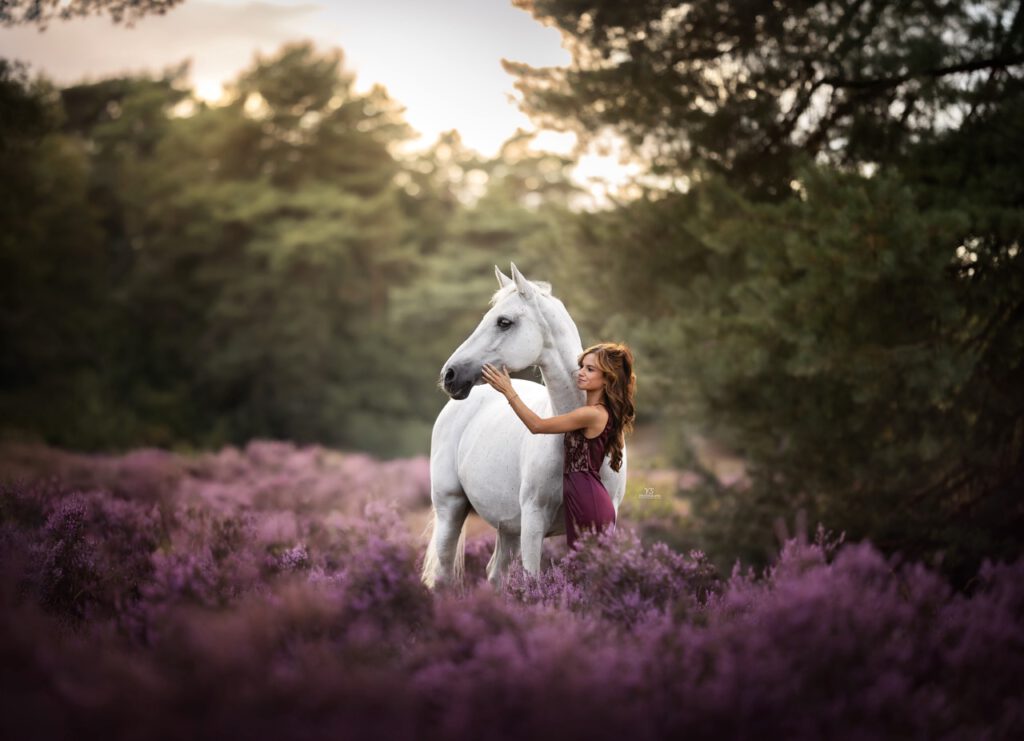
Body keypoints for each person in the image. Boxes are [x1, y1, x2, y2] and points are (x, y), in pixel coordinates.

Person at [481, 342, 637, 551]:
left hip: (589, 502)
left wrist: (508, 391)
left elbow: (537, 426)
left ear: (607, 378)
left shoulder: (591, 414)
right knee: (585, 566)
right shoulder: (597, 412)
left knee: (590, 566)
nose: (581, 372)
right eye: (582, 366)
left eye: (590, 369)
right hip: (581, 498)